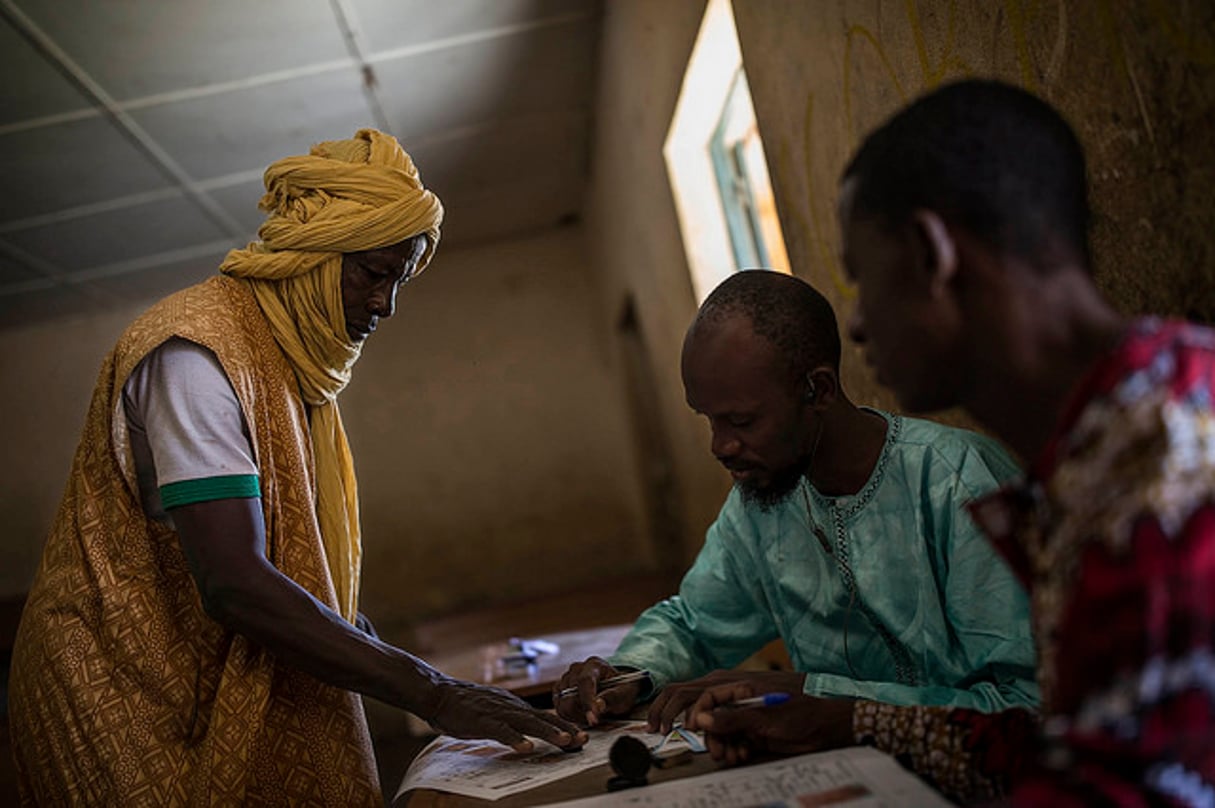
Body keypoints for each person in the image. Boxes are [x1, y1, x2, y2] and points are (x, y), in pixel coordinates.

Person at [7, 128, 584, 807]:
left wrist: (377, 649)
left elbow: (285, 560)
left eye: (399, 280)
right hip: (122, 683)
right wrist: (433, 692)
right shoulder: (194, 358)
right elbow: (237, 584)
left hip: (189, 665)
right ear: (313, 254)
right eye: (374, 273)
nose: (384, 304)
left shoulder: (286, 365)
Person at [692, 79, 1215, 806]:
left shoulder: (1159, 477)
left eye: (862, 281)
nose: (862, 327)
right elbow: (1069, 743)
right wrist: (849, 721)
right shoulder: (1121, 430)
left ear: (931, 254)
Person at [555, 270, 1038, 741]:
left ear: (819, 390)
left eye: (741, 421)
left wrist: (816, 697)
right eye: (709, 420)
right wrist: (628, 675)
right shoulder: (764, 501)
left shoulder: (959, 483)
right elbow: (695, 623)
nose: (720, 445)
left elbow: (1029, 705)